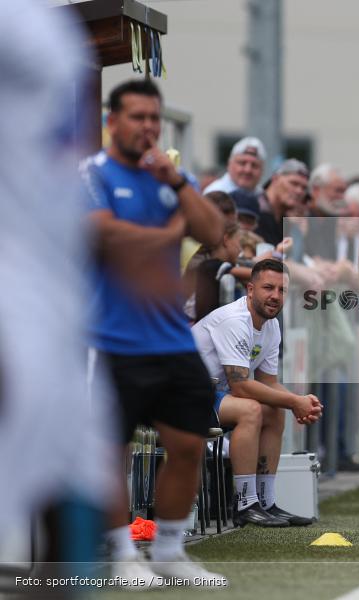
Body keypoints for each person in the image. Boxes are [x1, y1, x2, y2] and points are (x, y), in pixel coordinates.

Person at [83, 78, 227, 587]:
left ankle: (168, 550)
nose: (147, 127)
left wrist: (181, 184)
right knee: (111, 454)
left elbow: (214, 235)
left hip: (171, 339)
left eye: (153, 118)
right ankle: (122, 553)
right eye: (137, 116)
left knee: (187, 446)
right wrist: (169, 232)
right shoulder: (94, 174)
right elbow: (107, 234)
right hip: (112, 340)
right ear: (112, 121)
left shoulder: (169, 178)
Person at [0, 1, 118, 589]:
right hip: (29, 292)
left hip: (44, 295)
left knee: (73, 471)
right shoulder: (36, 29)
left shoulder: (39, 30)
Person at [192, 260, 323, 527]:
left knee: (274, 410)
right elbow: (240, 385)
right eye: (268, 288)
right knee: (250, 409)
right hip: (185, 395)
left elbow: (268, 383)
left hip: (213, 395)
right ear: (250, 290)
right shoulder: (234, 320)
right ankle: (245, 504)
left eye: (282, 290)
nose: (275, 295)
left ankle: (266, 502)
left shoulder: (271, 325)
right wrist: (293, 401)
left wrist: (301, 403)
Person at [257, 158, 310, 246]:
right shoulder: (253, 210)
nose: (299, 191)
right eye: (294, 183)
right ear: (275, 179)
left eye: (304, 188)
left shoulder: (288, 221)